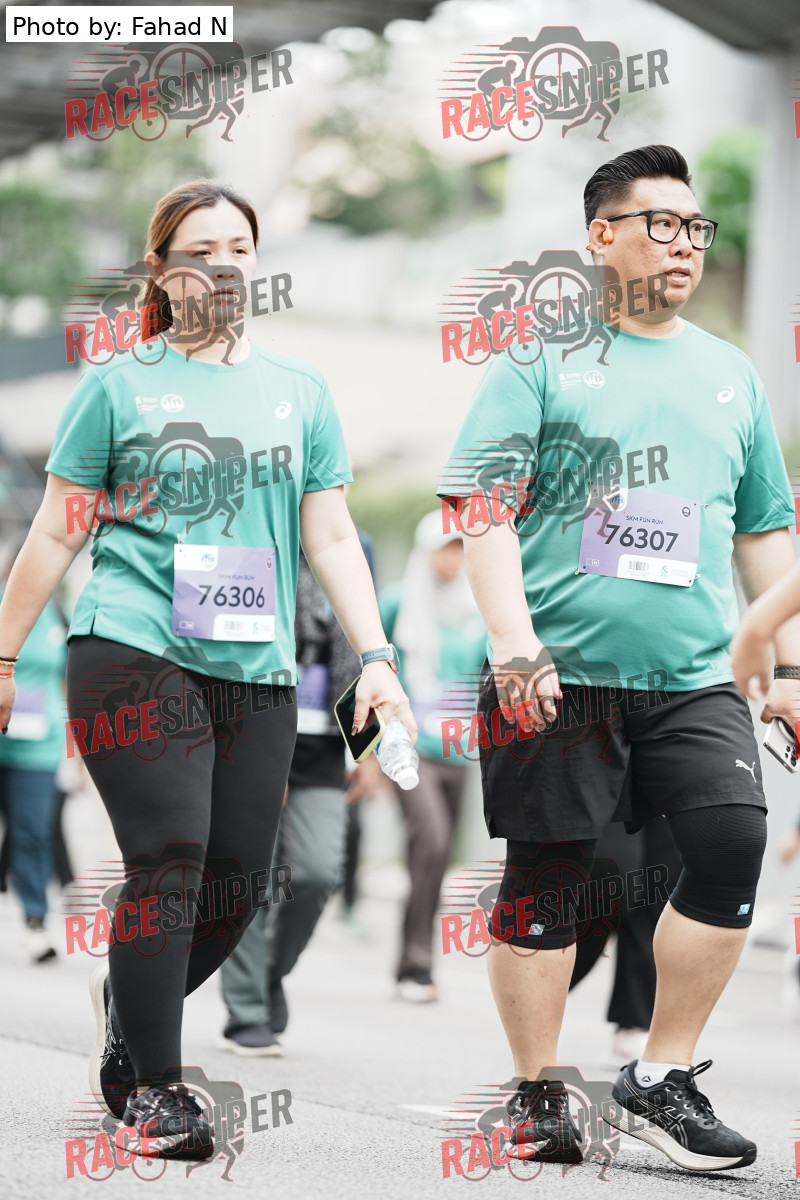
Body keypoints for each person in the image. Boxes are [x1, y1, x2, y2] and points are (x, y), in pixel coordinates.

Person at [0, 180, 414, 1162]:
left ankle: (129, 1013)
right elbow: (56, 531)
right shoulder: (119, 384)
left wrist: (377, 659)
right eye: (200, 251)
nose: (223, 267)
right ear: (160, 270)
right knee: (172, 857)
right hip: (133, 644)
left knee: (237, 883)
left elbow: (329, 535)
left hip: (256, 665)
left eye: (239, 249)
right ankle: (155, 1087)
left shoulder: (300, 390)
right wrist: (4, 653)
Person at [438, 144, 798, 1173]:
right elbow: (482, 510)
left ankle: (659, 1075)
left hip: (694, 677)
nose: (683, 245)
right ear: (601, 236)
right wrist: (513, 642)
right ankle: (537, 1091)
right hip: (554, 675)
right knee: (549, 879)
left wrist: (788, 669)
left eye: (694, 229)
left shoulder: (728, 374)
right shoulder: (536, 359)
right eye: (659, 224)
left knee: (730, 842)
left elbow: (764, 535)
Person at [219, 543, 372, 1054]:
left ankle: (268, 972)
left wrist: (367, 749)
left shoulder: (350, 547)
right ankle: (246, 1011)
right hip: (258, 732)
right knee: (253, 878)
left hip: (323, 746)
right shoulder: (252, 543)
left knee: (317, 871)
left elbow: (367, 649)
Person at [379, 512, 486, 1001]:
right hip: (407, 748)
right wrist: (363, 752)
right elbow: (367, 670)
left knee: (438, 854)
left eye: (461, 548)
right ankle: (417, 963)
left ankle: (413, 961)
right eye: (445, 548)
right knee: (432, 838)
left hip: (458, 751)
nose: (452, 558)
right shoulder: (397, 603)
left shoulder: (476, 608)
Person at [0, 544, 68, 963]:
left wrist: (78, 753)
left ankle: (35, 922)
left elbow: (68, 681)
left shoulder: (58, 613)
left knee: (33, 833)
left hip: (39, 747)